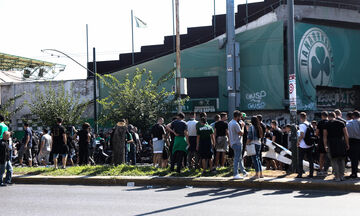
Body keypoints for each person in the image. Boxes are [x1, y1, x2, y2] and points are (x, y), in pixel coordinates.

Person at [324, 112, 350, 181]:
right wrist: (347, 144)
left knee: (334, 160)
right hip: (341, 142)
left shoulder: (326, 124)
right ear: (335, 116)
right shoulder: (341, 123)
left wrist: (325, 145)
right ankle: (342, 176)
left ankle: (337, 177)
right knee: (342, 159)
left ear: (329, 117)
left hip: (331, 143)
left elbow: (325, 136)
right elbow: (346, 135)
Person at [228, 110, 247, 179]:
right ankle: (235, 174)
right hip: (237, 143)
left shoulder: (230, 122)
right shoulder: (235, 124)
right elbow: (241, 133)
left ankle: (243, 172)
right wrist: (243, 126)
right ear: (238, 116)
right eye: (240, 117)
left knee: (239, 158)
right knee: (237, 159)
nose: (241, 118)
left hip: (233, 142)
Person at [296, 112, 314, 178]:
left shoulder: (302, 125)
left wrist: (298, 142)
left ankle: (300, 174)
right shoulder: (309, 124)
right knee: (310, 159)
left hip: (303, 145)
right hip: (309, 144)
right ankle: (311, 173)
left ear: (300, 118)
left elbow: (302, 135)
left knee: (300, 159)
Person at [346, 110, 360, 178]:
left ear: (353, 116)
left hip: (353, 142)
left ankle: (354, 173)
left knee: (354, 159)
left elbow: (346, 134)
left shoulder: (349, 123)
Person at [316, 111, 329, 175]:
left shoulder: (320, 123)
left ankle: (321, 169)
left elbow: (316, 133)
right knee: (329, 156)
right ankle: (326, 169)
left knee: (321, 155)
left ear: (322, 116)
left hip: (321, 140)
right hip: (330, 140)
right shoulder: (329, 122)